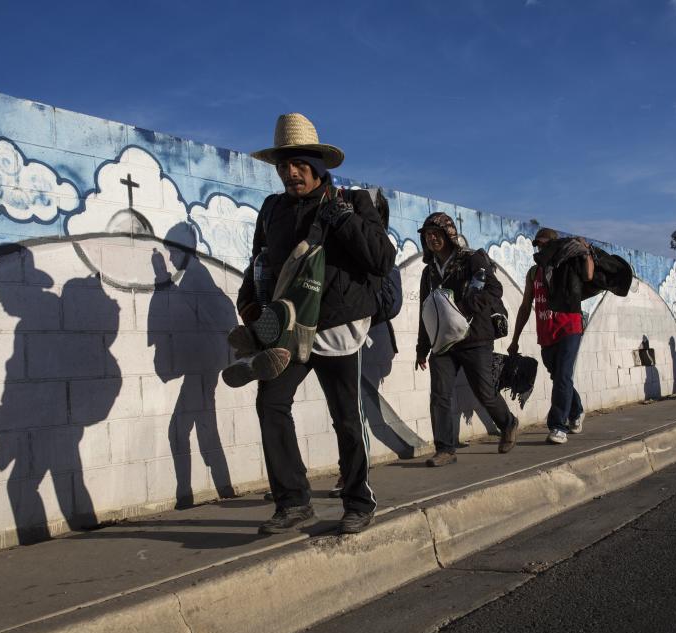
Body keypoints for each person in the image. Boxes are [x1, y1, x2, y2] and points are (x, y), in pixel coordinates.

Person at [238, 113, 396, 535]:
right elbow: (260, 261)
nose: (291, 172)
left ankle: (358, 502)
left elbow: (381, 258)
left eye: (300, 164)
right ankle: (293, 502)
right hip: (289, 325)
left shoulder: (353, 202)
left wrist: (342, 217)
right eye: (283, 165)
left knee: (345, 414)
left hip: (337, 325)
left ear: (319, 165)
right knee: (271, 404)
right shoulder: (272, 210)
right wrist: (249, 301)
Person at [415, 212, 519, 467]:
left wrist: (466, 306)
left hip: (475, 338)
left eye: (436, 233)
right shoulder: (429, 273)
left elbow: (494, 289)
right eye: (427, 235)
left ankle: (508, 423)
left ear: (449, 235)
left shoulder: (472, 259)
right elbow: (425, 311)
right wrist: (422, 347)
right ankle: (445, 449)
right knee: (439, 395)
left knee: (484, 392)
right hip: (443, 343)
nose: (431, 238)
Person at [508, 227, 587, 444]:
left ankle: (557, 426)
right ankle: (576, 410)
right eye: (537, 245)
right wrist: (514, 340)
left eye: (544, 244)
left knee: (562, 375)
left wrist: (586, 251)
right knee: (559, 376)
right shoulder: (534, 273)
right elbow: (525, 307)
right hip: (547, 333)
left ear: (555, 246)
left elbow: (587, 276)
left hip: (570, 328)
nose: (540, 248)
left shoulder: (566, 266)